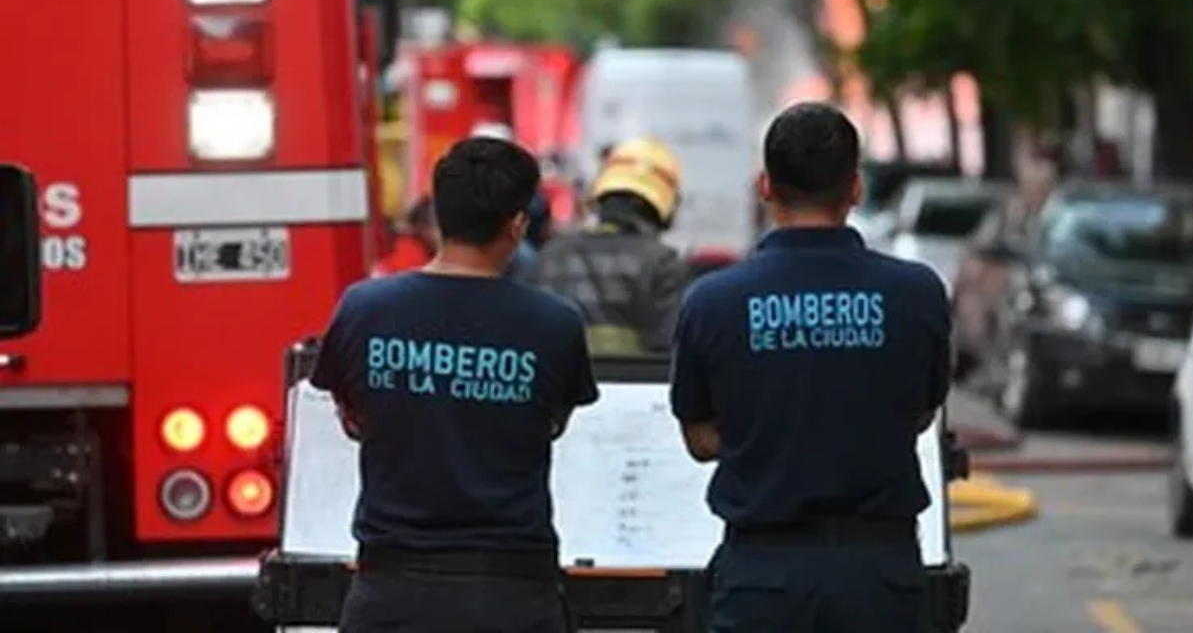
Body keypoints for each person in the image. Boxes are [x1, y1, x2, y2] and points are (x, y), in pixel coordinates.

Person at [669, 102, 951, 632]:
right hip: (878, 574)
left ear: (765, 187)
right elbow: (920, 412)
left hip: (762, 575)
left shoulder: (712, 302)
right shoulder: (918, 294)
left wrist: (769, 435)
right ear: (856, 187)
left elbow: (700, 436)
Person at [311, 136, 600, 633]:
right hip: (512, 596)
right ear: (516, 224)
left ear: (438, 215)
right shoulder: (555, 324)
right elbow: (552, 423)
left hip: (390, 593)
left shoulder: (364, 310)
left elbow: (351, 415)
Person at [532, 137, 689, 356]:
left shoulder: (551, 254)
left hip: (556, 387)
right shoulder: (663, 262)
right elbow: (668, 351)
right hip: (634, 389)